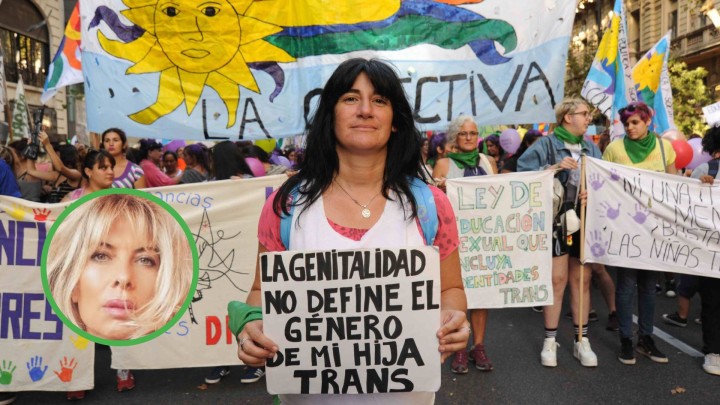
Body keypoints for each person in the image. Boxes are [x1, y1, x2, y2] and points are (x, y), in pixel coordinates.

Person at [233, 58, 469, 403]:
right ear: (330, 116)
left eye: (379, 100)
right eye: (350, 98)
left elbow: (451, 288)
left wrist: (453, 319)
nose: (365, 110)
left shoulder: (430, 205)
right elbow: (260, 292)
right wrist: (250, 328)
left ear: (395, 123)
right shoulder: (286, 206)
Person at [518, 97, 601, 368]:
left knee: (583, 279)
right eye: (584, 113)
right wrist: (553, 169)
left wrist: (594, 191)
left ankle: (581, 340)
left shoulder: (591, 147)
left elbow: (605, 181)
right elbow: (523, 176)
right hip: (558, 220)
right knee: (557, 279)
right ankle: (550, 340)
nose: (589, 118)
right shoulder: (545, 144)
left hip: (585, 219)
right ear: (568, 117)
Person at [603, 101, 676, 366]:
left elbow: (675, 187)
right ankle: (625, 339)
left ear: (647, 122)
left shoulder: (664, 148)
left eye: (635, 122)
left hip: (654, 229)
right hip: (626, 228)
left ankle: (646, 338)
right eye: (626, 123)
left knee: (647, 287)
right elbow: (604, 186)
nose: (630, 127)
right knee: (625, 286)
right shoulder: (614, 149)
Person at [433, 115, 496, 374]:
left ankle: (478, 345)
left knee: (482, 293)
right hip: (456, 240)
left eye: (473, 133)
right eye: (464, 133)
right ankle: (460, 345)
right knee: (459, 292)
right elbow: (434, 200)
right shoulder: (444, 165)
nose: (469, 137)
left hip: (485, 236)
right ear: (455, 138)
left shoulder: (489, 162)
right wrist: (443, 188)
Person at [689, 125, 720, 376]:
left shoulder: (704, 168)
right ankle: (714, 351)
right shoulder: (704, 171)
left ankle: (714, 349)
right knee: (712, 301)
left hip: (710, 251)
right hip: (711, 250)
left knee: (713, 302)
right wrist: (700, 186)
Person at [27, 132, 82, 203]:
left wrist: (47, 144)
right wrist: (31, 148)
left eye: (56, 156)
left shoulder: (76, 174)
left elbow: (61, 168)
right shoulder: (57, 176)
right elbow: (31, 170)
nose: (53, 159)